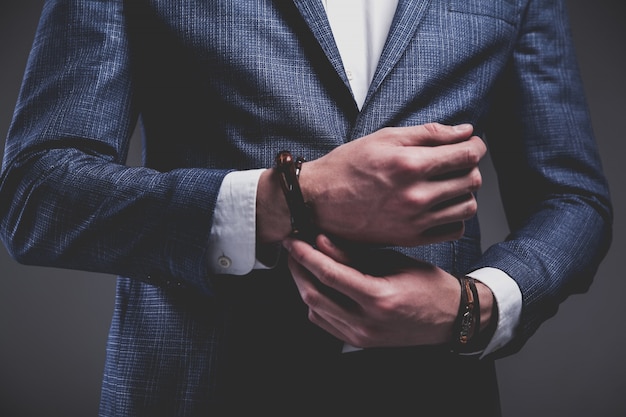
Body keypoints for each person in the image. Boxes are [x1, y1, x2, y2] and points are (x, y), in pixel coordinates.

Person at [0, 0, 612, 416]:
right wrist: (290, 197)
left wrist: (473, 308)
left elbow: (573, 198)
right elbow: (37, 192)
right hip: (194, 393)